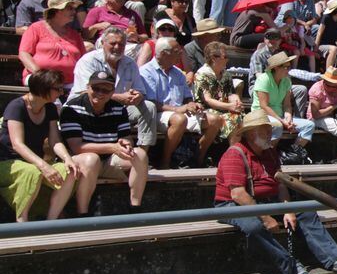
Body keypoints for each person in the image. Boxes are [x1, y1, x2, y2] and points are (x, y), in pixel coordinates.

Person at [214, 109, 337, 274]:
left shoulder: (269, 152)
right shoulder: (235, 153)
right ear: (251, 133)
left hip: (265, 202)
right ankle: (290, 267)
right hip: (233, 205)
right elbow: (238, 194)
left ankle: (336, 259)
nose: (270, 134)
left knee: (305, 212)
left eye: (269, 129)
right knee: (253, 226)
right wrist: (266, 217)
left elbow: (281, 183)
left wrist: (288, 209)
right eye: (265, 130)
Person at [61, 70, 149, 214]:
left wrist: (126, 144)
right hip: (81, 161)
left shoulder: (119, 108)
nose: (100, 93)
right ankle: (82, 213)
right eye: (96, 88)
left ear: (112, 91)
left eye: (106, 89)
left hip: (109, 160)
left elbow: (126, 136)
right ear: (88, 87)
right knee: (91, 159)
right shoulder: (71, 109)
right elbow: (77, 147)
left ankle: (135, 208)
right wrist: (112, 147)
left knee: (140, 154)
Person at [0, 70, 81, 221]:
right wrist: (44, 166)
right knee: (32, 172)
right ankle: (22, 222)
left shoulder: (50, 108)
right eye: (58, 89)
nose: (61, 92)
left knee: (70, 171)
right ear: (43, 88)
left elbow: (55, 141)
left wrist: (67, 158)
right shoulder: (17, 106)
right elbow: (17, 144)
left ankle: (51, 221)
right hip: (8, 162)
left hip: (36, 162)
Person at [71, 26, 157, 153]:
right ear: (102, 43)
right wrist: (119, 97)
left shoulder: (130, 63)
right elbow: (84, 92)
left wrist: (137, 95)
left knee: (149, 107)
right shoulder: (88, 60)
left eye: (121, 44)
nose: (117, 47)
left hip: (119, 108)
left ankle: (142, 154)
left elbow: (141, 90)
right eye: (113, 43)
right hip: (89, 107)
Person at [140, 37, 223, 168]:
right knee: (179, 120)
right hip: (157, 114)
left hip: (180, 112)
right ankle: (165, 162)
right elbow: (150, 102)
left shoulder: (178, 73)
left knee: (216, 120)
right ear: (163, 53)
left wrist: (191, 104)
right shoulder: (146, 72)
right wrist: (177, 110)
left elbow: (186, 97)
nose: (180, 53)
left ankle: (198, 158)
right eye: (176, 51)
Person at [252, 52, 313, 163]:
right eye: (286, 67)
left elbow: (287, 105)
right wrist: (282, 121)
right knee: (278, 125)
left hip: (279, 116)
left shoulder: (286, 81)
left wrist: (288, 118)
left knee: (309, 125)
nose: (288, 70)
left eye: (289, 67)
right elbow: (263, 106)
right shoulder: (263, 79)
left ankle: (291, 154)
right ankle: (267, 156)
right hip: (261, 115)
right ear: (276, 68)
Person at [18, 0, 86, 86]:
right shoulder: (36, 28)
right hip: (39, 79)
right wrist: (39, 73)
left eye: (74, 8)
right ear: (58, 11)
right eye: (70, 8)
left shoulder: (75, 35)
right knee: (50, 89)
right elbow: (24, 54)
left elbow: (84, 59)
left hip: (70, 82)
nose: (74, 11)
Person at [192, 41, 243, 142]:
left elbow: (230, 94)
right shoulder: (202, 74)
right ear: (214, 58)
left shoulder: (226, 74)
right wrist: (229, 106)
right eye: (225, 56)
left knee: (241, 118)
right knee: (234, 120)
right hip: (205, 110)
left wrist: (237, 101)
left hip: (224, 109)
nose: (228, 59)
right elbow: (208, 100)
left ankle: (234, 153)